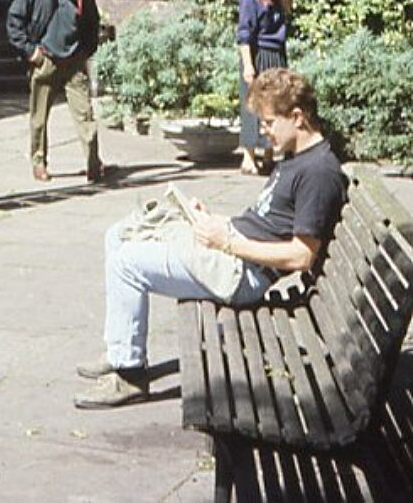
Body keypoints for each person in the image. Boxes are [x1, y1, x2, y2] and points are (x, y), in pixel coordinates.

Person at [74, 67, 346, 409]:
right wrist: (216, 220)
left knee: (127, 264)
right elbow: (266, 221)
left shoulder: (318, 173)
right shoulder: (296, 157)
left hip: (241, 274)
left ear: (297, 117)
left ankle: (129, 374)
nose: (263, 132)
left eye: (267, 123)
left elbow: (300, 256)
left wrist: (227, 242)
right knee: (119, 234)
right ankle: (118, 348)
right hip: (231, 250)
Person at [6, 0, 108, 183]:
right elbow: (14, 20)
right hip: (46, 62)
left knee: (85, 116)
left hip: (74, 64)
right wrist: (31, 52)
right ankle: (39, 163)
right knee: (39, 118)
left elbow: (93, 26)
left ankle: (94, 165)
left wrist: (85, 53)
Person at [236, 0, 289, 175]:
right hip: (258, 55)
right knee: (253, 105)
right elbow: (244, 33)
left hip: (276, 54)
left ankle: (268, 155)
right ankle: (248, 157)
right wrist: (248, 65)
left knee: (273, 106)